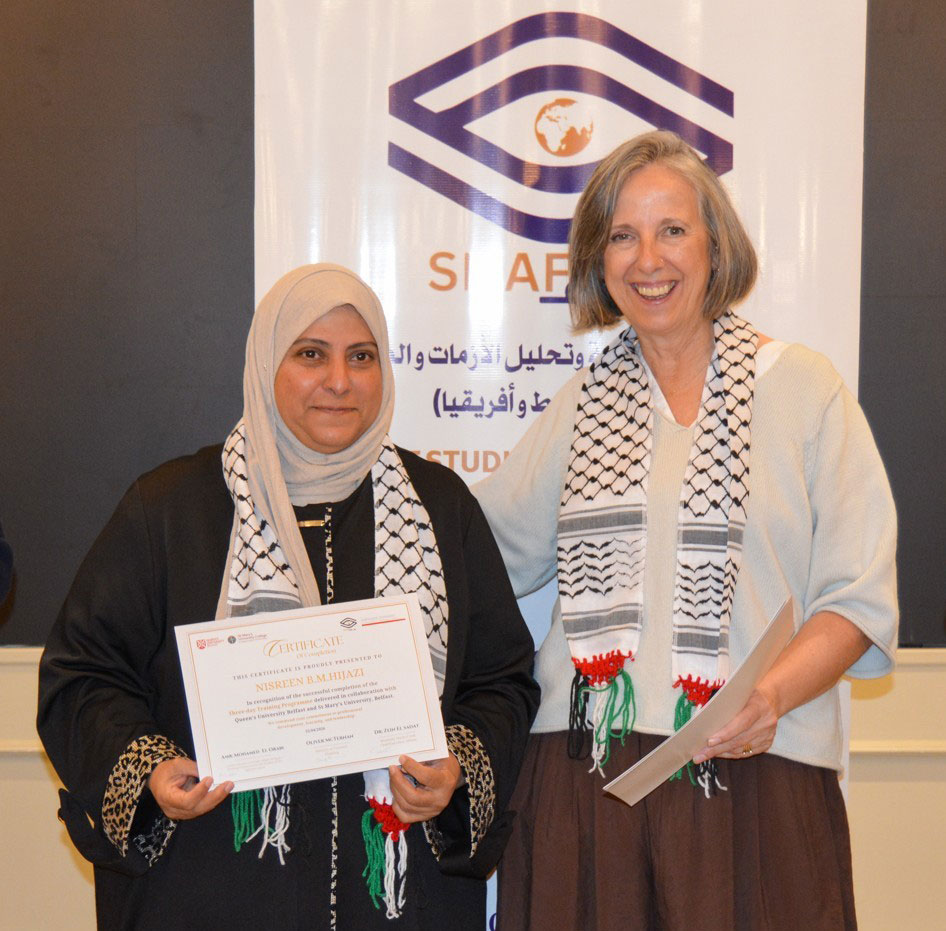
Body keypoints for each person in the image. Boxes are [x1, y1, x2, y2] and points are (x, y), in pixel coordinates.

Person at [473, 131, 898, 930]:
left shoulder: (804, 391)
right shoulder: (581, 407)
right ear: (599, 260)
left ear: (715, 245)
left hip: (757, 768)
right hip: (586, 779)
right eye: (622, 236)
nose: (648, 259)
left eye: (671, 229)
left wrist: (769, 697)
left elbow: (857, 597)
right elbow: (477, 554)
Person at [37, 263, 539, 930]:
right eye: (310, 354)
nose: (339, 380)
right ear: (266, 363)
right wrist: (151, 772)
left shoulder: (439, 509)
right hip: (209, 889)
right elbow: (82, 677)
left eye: (361, 357)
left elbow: (500, 680)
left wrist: (455, 771)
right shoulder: (172, 509)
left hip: (398, 898)